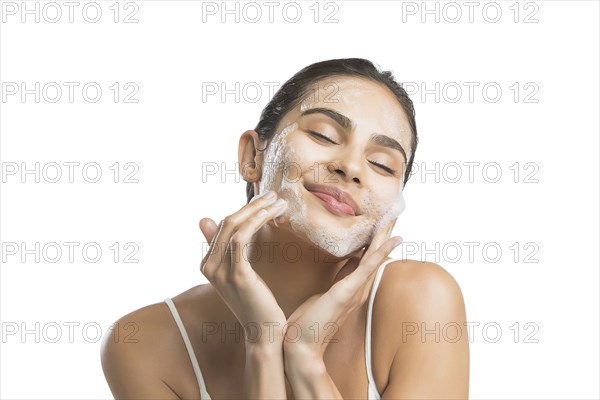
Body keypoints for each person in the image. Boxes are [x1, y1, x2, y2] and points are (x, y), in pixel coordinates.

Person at [100, 58, 470, 399]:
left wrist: (306, 361)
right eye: (324, 135)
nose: (352, 167)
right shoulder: (143, 344)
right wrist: (263, 344)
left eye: (382, 164)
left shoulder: (420, 301)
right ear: (252, 158)